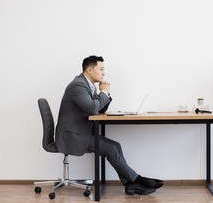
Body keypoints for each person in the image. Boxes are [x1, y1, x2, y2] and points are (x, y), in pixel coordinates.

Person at [55, 55, 164, 195]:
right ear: (89, 69)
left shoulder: (88, 86)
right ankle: (138, 179)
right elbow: (92, 108)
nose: (103, 72)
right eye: (100, 69)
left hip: (81, 133)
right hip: (72, 136)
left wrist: (106, 94)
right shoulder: (78, 85)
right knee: (111, 149)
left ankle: (131, 184)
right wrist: (104, 92)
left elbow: (100, 109)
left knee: (115, 146)